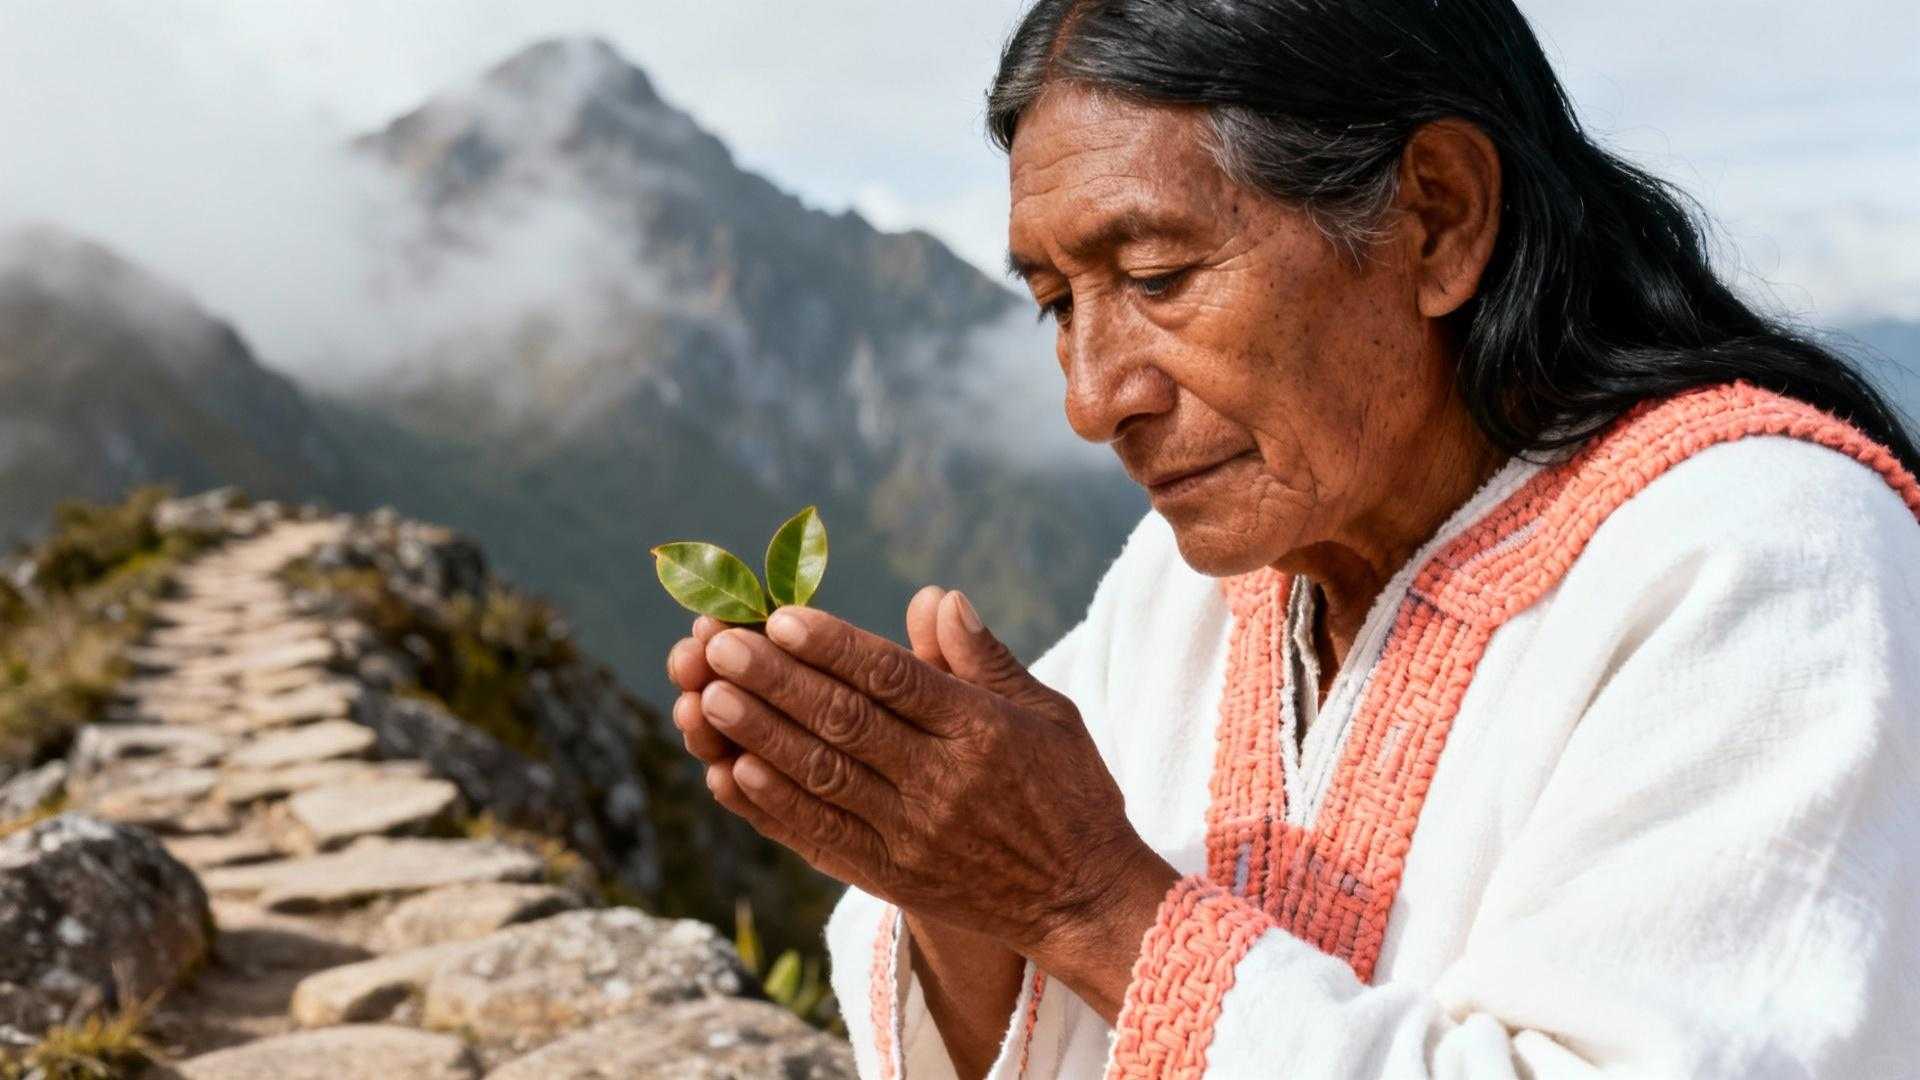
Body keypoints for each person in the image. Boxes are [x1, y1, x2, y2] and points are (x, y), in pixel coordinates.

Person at [665, 0, 1920, 1075]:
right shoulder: (1190, 587)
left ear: (1435, 219)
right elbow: (993, 1010)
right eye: (1057, 304)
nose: (1093, 399)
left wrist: (1084, 900)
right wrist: (952, 881)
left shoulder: (1761, 559)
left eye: (1156, 276)